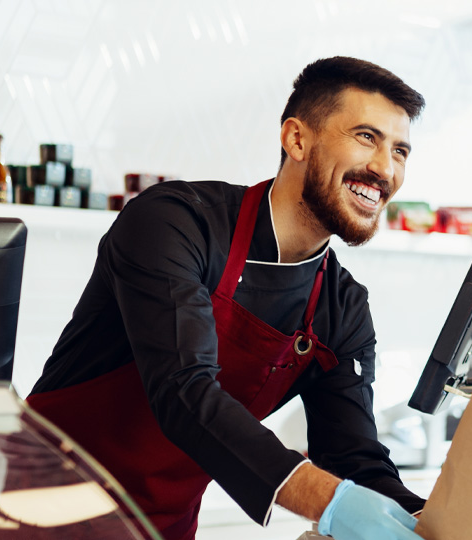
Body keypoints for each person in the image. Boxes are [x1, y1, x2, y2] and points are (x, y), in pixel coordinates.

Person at [25, 57, 427, 540]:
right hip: (33, 510)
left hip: (161, 528)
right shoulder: (174, 224)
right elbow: (183, 392)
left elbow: (352, 456)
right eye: (367, 137)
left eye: (400, 150)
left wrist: (435, 520)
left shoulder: (342, 310)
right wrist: (331, 501)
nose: (386, 168)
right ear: (297, 139)